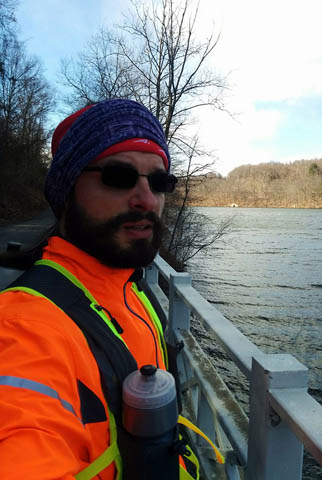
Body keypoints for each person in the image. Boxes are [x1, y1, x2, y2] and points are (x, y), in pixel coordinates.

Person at [0, 99, 184, 479]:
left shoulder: (131, 290)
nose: (147, 199)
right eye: (118, 177)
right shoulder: (23, 328)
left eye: (160, 181)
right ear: (68, 191)